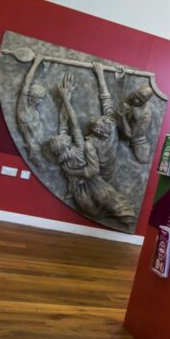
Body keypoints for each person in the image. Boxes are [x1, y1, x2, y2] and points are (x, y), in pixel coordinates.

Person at [47, 75, 135, 228]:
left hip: (79, 189)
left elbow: (63, 122)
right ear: (65, 144)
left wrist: (66, 97)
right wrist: (66, 99)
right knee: (111, 207)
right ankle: (127, 221)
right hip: (94, 183)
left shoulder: (62, 155)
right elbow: (73, 122)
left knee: (102, 207)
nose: (66, 135)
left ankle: (125, 221)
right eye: (64, 137)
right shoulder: (82, 147)